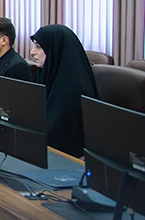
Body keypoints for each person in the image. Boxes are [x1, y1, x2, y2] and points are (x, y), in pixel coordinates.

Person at [29, 24, 98, 157]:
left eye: (39, 47)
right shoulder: (45, 73)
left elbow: (55, 134)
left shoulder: (74, 88)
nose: (32, 52)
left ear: (55, 49)